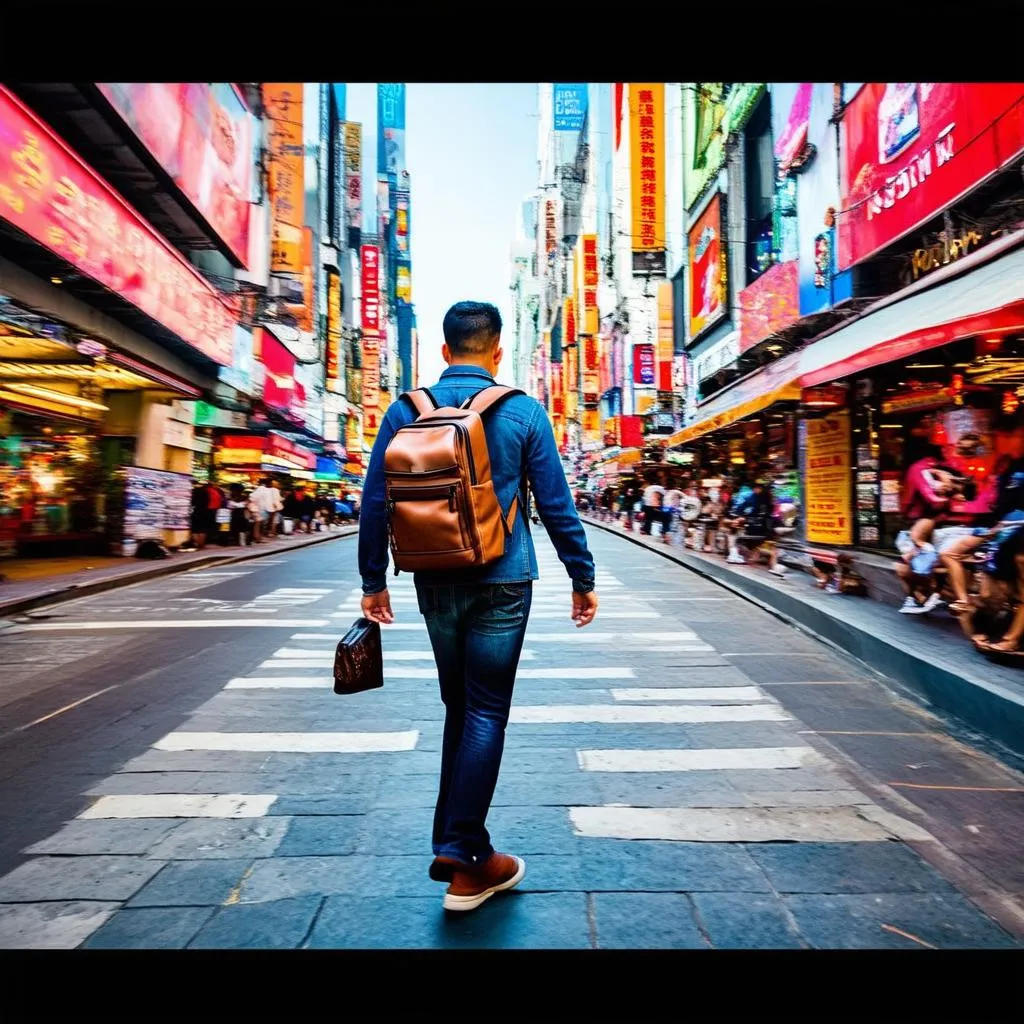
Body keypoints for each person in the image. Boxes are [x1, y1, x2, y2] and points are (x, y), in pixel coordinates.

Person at [359, 300, 598, 913]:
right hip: (504, 578)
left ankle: (464, 848)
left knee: (459, 707)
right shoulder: (522, 410)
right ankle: (462, 852)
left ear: (443, 352)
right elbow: (556, 505)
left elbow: (375, 502)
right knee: (485, 710)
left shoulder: (404, 410)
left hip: (433, 579)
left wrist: (373, 580)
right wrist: (582, 575)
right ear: (497, 351)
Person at [248, 477, 279, 543]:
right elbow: (252, 498)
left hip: (261, 509)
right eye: (271, 483)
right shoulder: (262, 489)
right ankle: (257, 538)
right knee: (259, 524)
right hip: (258, 509)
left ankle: (259, 537)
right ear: (267, 483)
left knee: (260, 524)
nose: (272, 485)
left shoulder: (264, 489)